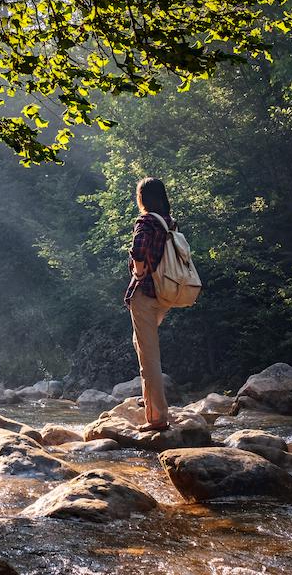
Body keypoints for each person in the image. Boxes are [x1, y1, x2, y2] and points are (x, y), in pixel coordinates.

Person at [124, 177, 174, 432]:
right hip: (164, 294)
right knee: (142, 346)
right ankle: (151, 406)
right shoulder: (168, 223)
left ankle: (156, 418)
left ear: (142, 197)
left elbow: (138, 249)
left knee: (148, 357)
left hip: (145, 293)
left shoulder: (145, 221)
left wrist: (139, 272)